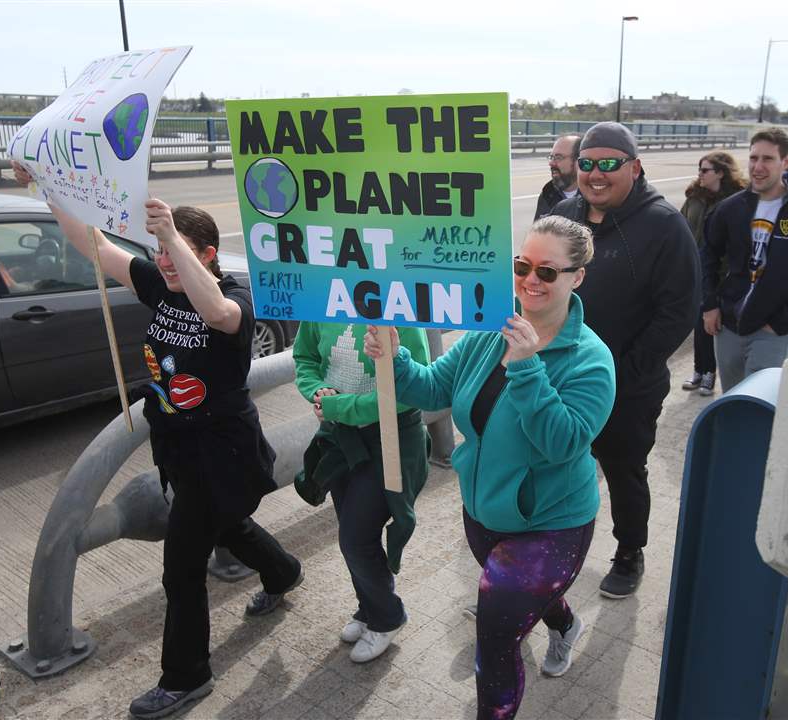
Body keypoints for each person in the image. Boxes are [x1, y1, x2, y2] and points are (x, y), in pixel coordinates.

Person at [11, 162, 303, 719]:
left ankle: (186, 677)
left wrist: (170, 234)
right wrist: (45, 189)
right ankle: (284, 571)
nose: (165, 261)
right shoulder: (160, 282)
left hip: (224, 454)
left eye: (178, 253)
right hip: (179, 451)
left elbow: (216, 313)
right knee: (226, 525)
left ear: (208, 256)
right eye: (161, 252)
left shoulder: (233, 295)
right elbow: (93, 245)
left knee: (182, 564)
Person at [363, 216, 616, 719]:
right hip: (482, 511)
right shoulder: (488, 331)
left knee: (495, 636)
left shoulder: (592, 360)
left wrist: (526, 369)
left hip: (551, 524)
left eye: (548, 272)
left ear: (577, 277)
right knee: (528, 601)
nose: (530, 280)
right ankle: (564, 624)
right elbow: (434, 389)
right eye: (522, 265)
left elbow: (563, 443)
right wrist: (393, 359)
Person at [549, 121, 699, 598]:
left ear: (634, 167)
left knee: (623, 469)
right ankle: (549, 546)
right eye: (587, 164)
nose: (595, 174)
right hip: (562, 375)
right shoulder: (566, 212)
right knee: (555, 463)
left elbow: (679, 309)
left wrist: (631, 368)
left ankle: (629, 550)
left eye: (609, 164)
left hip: (626, 383)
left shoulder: (662, 224)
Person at [292, 320, 430, 662]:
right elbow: (304, 358)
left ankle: (387, 616)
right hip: (340, 439)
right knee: (353, 534)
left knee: (355, 538)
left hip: (392, 440)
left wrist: (341, 407)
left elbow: (415, 386)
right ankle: (369, 608)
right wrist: (317, 390)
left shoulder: (400, 306)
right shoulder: (319, 300)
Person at [701, 128, 788, 392]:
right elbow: (707, 258)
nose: (758, 167)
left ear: (786, 162)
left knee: (757, 399)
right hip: (728, 325)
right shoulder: (730, 209)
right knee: (730, 397)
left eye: (768, 159)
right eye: (753, 158)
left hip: (771, 327)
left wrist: (785, 321)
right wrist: (710, 305)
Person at [680, 152, 746, 395]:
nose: (700, 174)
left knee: (714, 325)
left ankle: (710, 374)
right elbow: (681, 225)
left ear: (720, 172)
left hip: (723, 273)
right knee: (698, 324)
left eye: (705, 169)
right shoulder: (694, 199)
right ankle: (700, 370)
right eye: (700, 169)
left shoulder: (735, 201)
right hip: (696, 270)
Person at [534, 134, 581, 220]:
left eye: (558, 157)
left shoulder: (593, 198)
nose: (551, 163)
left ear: (578, 161)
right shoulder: (548, 194)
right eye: (551, 157)